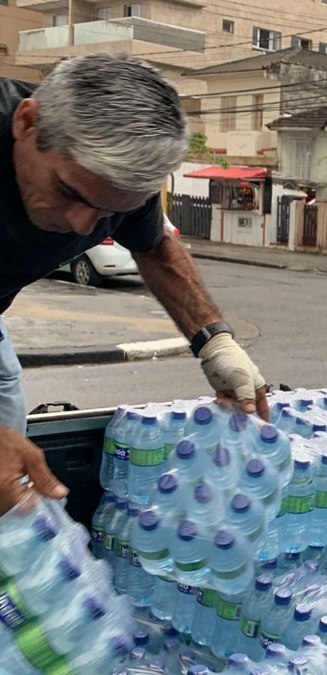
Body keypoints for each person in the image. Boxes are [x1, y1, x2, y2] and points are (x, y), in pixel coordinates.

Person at [0, 54, 267, 513]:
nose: (84, 227)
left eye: (106, 213)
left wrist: (214, 342)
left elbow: (155, 247)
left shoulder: (115, 182)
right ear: (27, 122)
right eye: (69, 192)